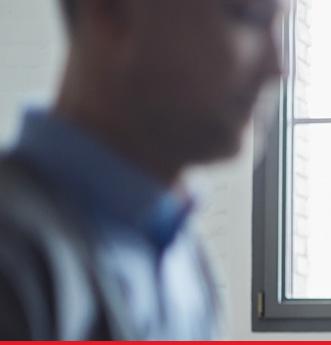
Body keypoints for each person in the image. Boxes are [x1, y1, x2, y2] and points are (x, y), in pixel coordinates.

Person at [0, 0, 283, 339]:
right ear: (111, 10)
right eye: (247, 16)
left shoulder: (186, 259)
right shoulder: (15, 260)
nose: (277, 67)